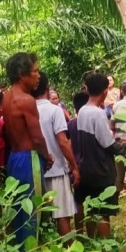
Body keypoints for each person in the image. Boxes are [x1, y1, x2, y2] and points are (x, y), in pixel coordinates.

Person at [1, 52, 54, 246]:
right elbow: (37, 137)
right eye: (35, 71)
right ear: (23, 75)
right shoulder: (26, 100)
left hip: (14, 158)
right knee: (33, 209)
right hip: (29, 158)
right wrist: (47, 156)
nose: (38, 75)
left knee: (18, 209)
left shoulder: (6, 97)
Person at [75, 72, 126, 238]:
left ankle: (92, 240)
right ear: (105, 91)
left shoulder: (83, 111)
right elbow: (109, 145)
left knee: (91, 207)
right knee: (103, 211)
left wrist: (114, 138)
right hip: (101, 168)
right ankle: (105, 247)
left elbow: (96, 137)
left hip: (86, 166)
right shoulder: (98, 113)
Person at [33, 72, 80, 238]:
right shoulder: (54, 110)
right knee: (62, 214)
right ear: (47, 88)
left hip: (36, 171)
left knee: (41, 216)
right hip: (57, 169)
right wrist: (74, 166)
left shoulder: (28, 110)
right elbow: (63, 141)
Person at [67, 90, 89, 168]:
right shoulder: (94, 121)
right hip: (93, 166)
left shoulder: (71, 124)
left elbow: (67, 142)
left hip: (77, 163)